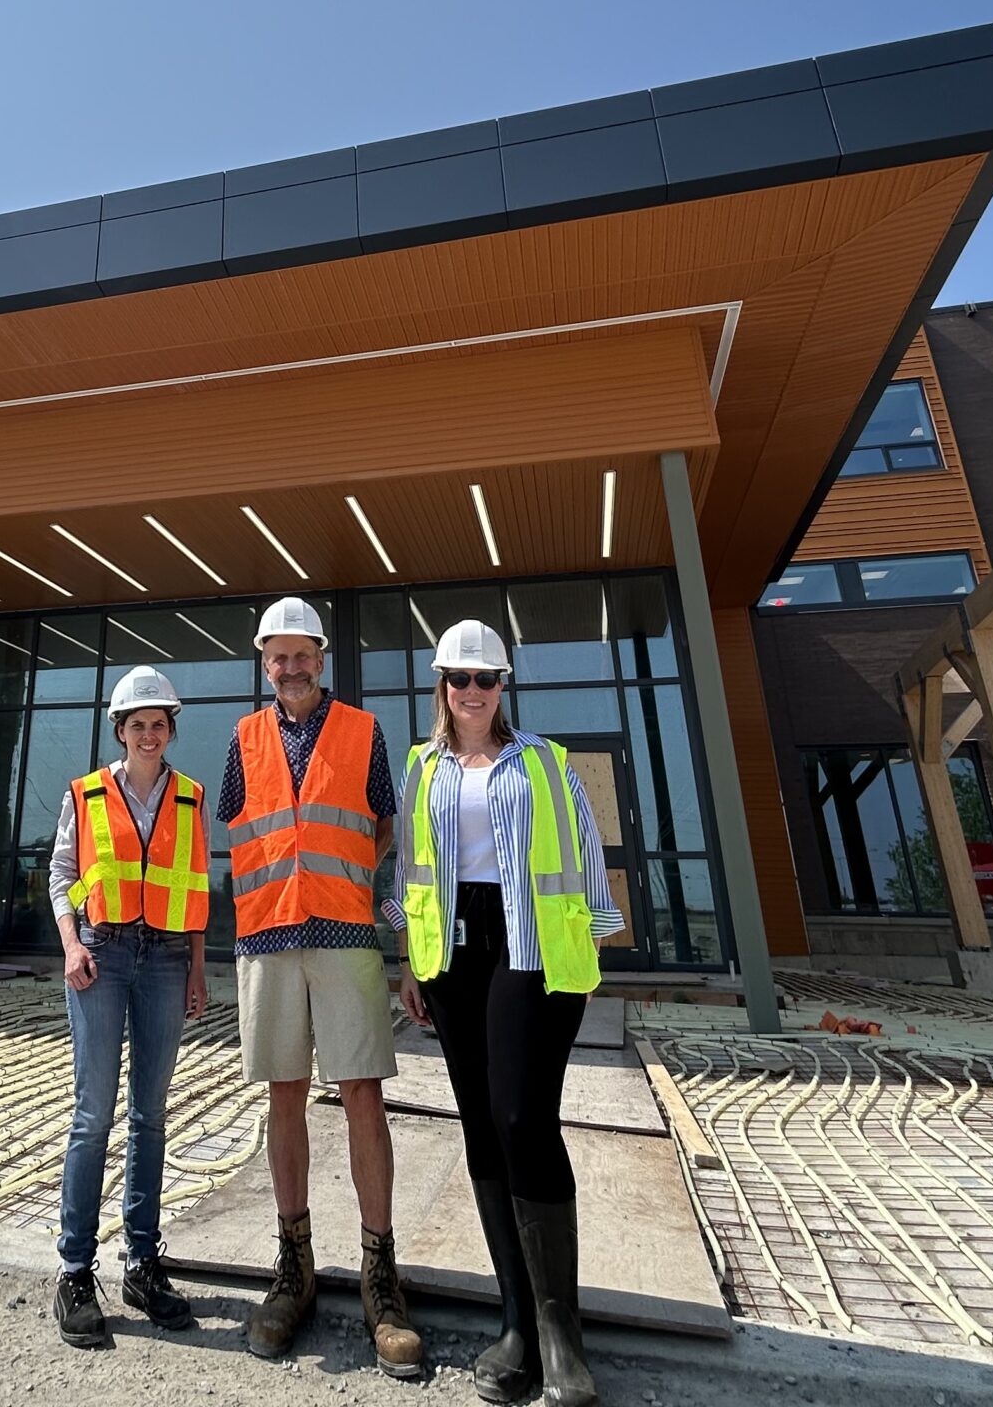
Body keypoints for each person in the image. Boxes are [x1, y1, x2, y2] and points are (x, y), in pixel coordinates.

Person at [392, 620, 619, 1407]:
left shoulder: (545, 763)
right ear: (442, 687)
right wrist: (410, 965)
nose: (473, 693)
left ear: (504, 687)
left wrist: (591, 952)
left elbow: (587, 856)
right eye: (460, 679)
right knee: (482, 1125)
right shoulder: (423, 767)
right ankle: (517, 1324)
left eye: (487, 680)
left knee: (525, 1119)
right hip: (453, 957)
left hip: (530, 954)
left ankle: (562, 1335)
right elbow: (411, 869)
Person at [224, 596, 424, 1379]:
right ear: (264, 663)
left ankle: (381, 1276)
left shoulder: (366, 732)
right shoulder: (241, 740)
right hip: (269, 939)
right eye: (278, 655)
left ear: (322, 656)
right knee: (282, 1096)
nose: (291, 666)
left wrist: (383, 926)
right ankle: (293, 1267)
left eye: (302, 652)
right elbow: (241, 833)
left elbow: (384, 833)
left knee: (364, 1094)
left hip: (345, 936)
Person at [48, 665, 212, 1349]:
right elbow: (61, 874)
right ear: (120, 731)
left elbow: (199, 882)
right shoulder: (84, 794)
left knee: (151, 1114)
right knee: (93, 1114)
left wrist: (200, 968)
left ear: (171, 731)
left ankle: (142, 1263)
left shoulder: (190, 799)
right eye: (137, 724)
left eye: (159, 724)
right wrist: (70, 946)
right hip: (102, 956)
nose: (149, 734)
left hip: (169, 961)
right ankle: (75, 1271)